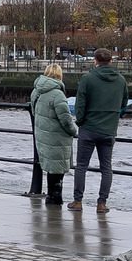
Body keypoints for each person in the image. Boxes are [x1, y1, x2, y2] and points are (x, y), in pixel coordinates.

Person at [69, 48, 129, 213]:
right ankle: (102, 203)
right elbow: (124, 104)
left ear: (95, 60)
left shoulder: (87, 79)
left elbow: (80, 105)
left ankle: (78, 201)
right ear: (111, 61)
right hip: (109, 129)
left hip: (88, 128)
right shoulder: (121, 80)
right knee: (106, 167)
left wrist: (80, 121)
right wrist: (116, 117)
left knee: (81, 166)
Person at [29, 63, 77, 206]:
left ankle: (51, 196)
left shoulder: (36, 91)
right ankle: (55, 197)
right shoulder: (58, 94)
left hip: (42, 134)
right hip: (57, 137)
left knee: (51, 167)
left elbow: (34, 111)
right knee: (57, 169)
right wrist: (74, 131)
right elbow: (65, 118)